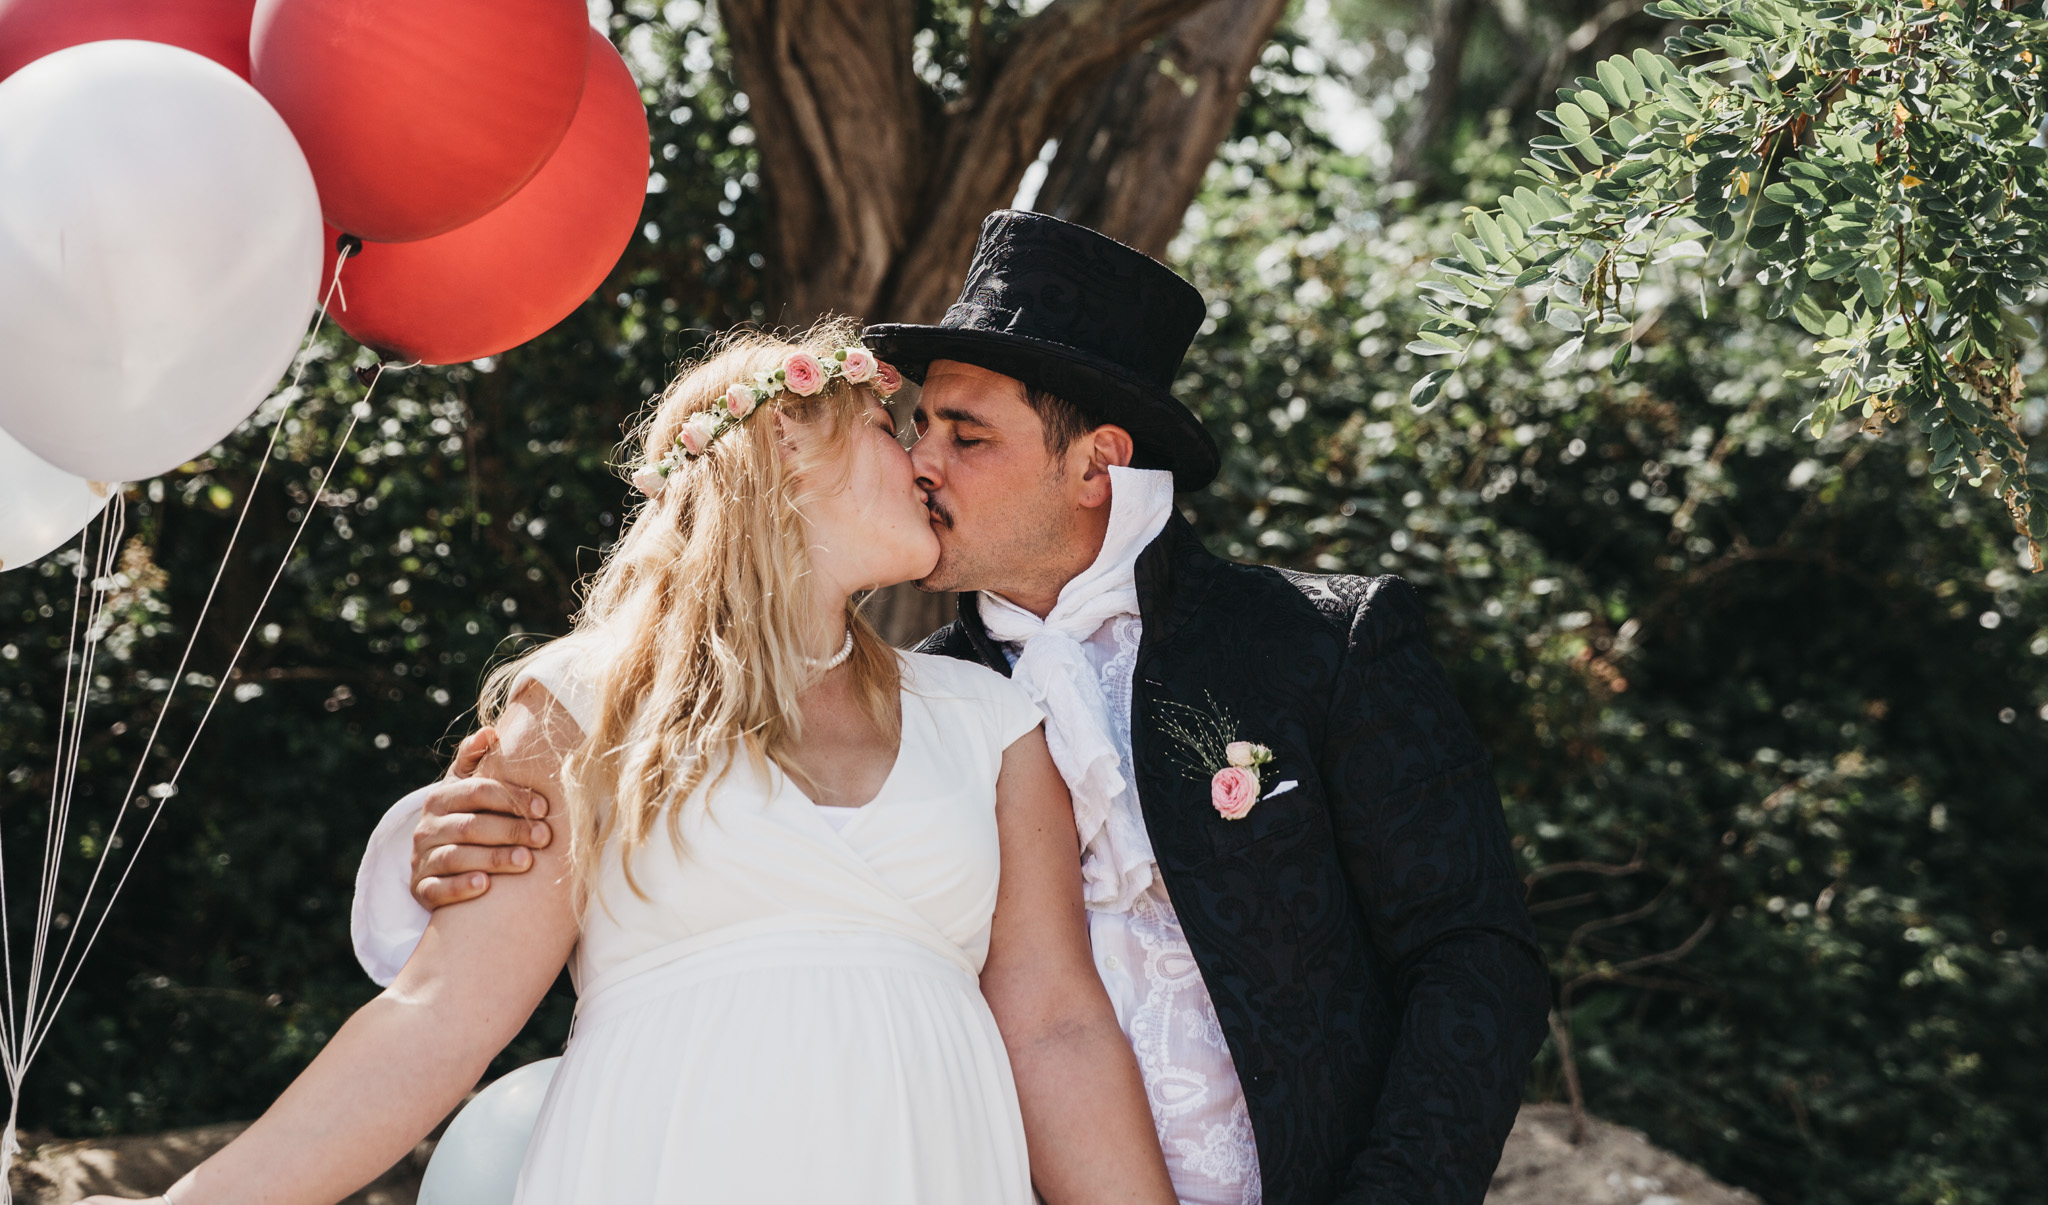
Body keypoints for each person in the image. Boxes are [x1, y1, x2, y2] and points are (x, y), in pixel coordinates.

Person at [369, 212, 1553, 1204]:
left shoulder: (1320, 645)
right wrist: (487, 831)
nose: (920, 457)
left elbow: (1473, 955)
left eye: (965, 432)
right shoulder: (926, 712)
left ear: (1094, 464)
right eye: (915, 424)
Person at [86, 319, 1178, 1205]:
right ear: (792, 456)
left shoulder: (986, 719)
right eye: (893, 429)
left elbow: (1056, 1023)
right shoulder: (584, 706)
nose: (926, 465)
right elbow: (440, 1018)